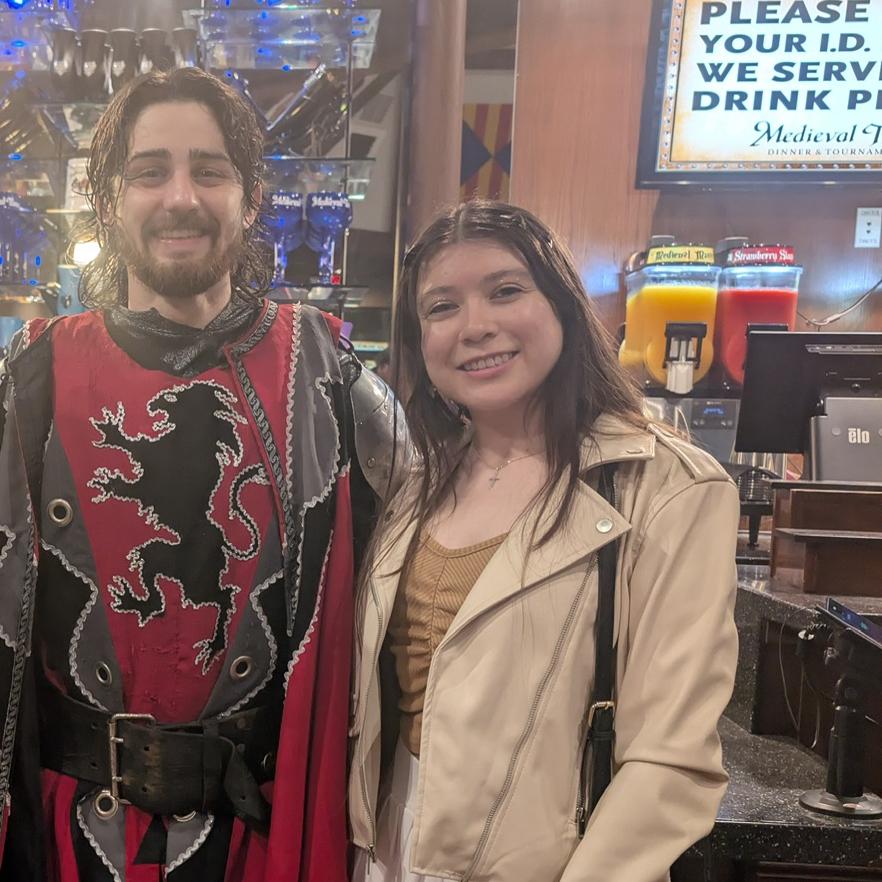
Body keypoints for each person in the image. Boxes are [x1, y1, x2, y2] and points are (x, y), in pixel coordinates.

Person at [0, 67, 390, 881]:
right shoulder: (33, 376)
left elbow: (442, 531)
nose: (181, 197)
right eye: (151, 172)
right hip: (68, 841)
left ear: (250, 199)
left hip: (259, 839)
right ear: (108, 201)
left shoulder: (324, 371)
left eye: (209, 171)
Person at [349, 200, 739, 882]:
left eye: (505, 291)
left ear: (562, 305)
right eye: (442, 307)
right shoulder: (416, 482)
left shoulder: (668, 487)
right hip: (388, 849)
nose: (475, 326)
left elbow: (670, 761)